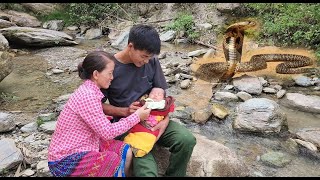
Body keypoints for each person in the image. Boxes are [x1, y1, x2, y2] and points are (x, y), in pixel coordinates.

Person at [100, 24, 196, 177]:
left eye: (149, 57)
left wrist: (165, 119)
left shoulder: (151, 61)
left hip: (155, 118)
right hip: (127, 125)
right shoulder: (110, 68)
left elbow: (161, 94)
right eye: (144, 56)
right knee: (146, 170)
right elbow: (96, 105)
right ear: (130, 46)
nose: (146, 61)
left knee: (186, 140)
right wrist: (124, 111)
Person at [47, 51, 151, 177]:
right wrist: (137, 116)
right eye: (110, 73)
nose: (112, 77)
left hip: (88, 144)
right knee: (111, 160)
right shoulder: (87, 96)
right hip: (64, 159)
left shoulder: (92, 91)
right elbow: (108, 133)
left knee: (125, 150)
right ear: (96, 74)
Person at [123, 87, 175, 158]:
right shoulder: (144, 102)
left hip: (154, 127)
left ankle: (140, 150)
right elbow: (136, 109)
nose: (155, 95)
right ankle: (128, 144)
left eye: (159, 94)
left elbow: (168, 111)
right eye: (153, 93)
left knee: (150, 138)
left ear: (164, 98)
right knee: (133, 132)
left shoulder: (164, 105)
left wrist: (165, 120)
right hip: (140, 124)